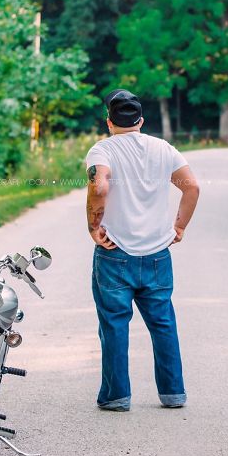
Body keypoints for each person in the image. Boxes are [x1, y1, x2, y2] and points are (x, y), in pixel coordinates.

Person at [85, 89, 200, 411]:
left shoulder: (102, 150)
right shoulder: (163, 148)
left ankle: (116, 397)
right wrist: (179, 226)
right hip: (157, 253)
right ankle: (173, 394)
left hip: (115, 252)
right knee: (163, 324)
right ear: (141, 121)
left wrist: (94, 227)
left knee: (114, 325)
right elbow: (192, 186)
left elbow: (99, 185)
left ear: (109, 122)